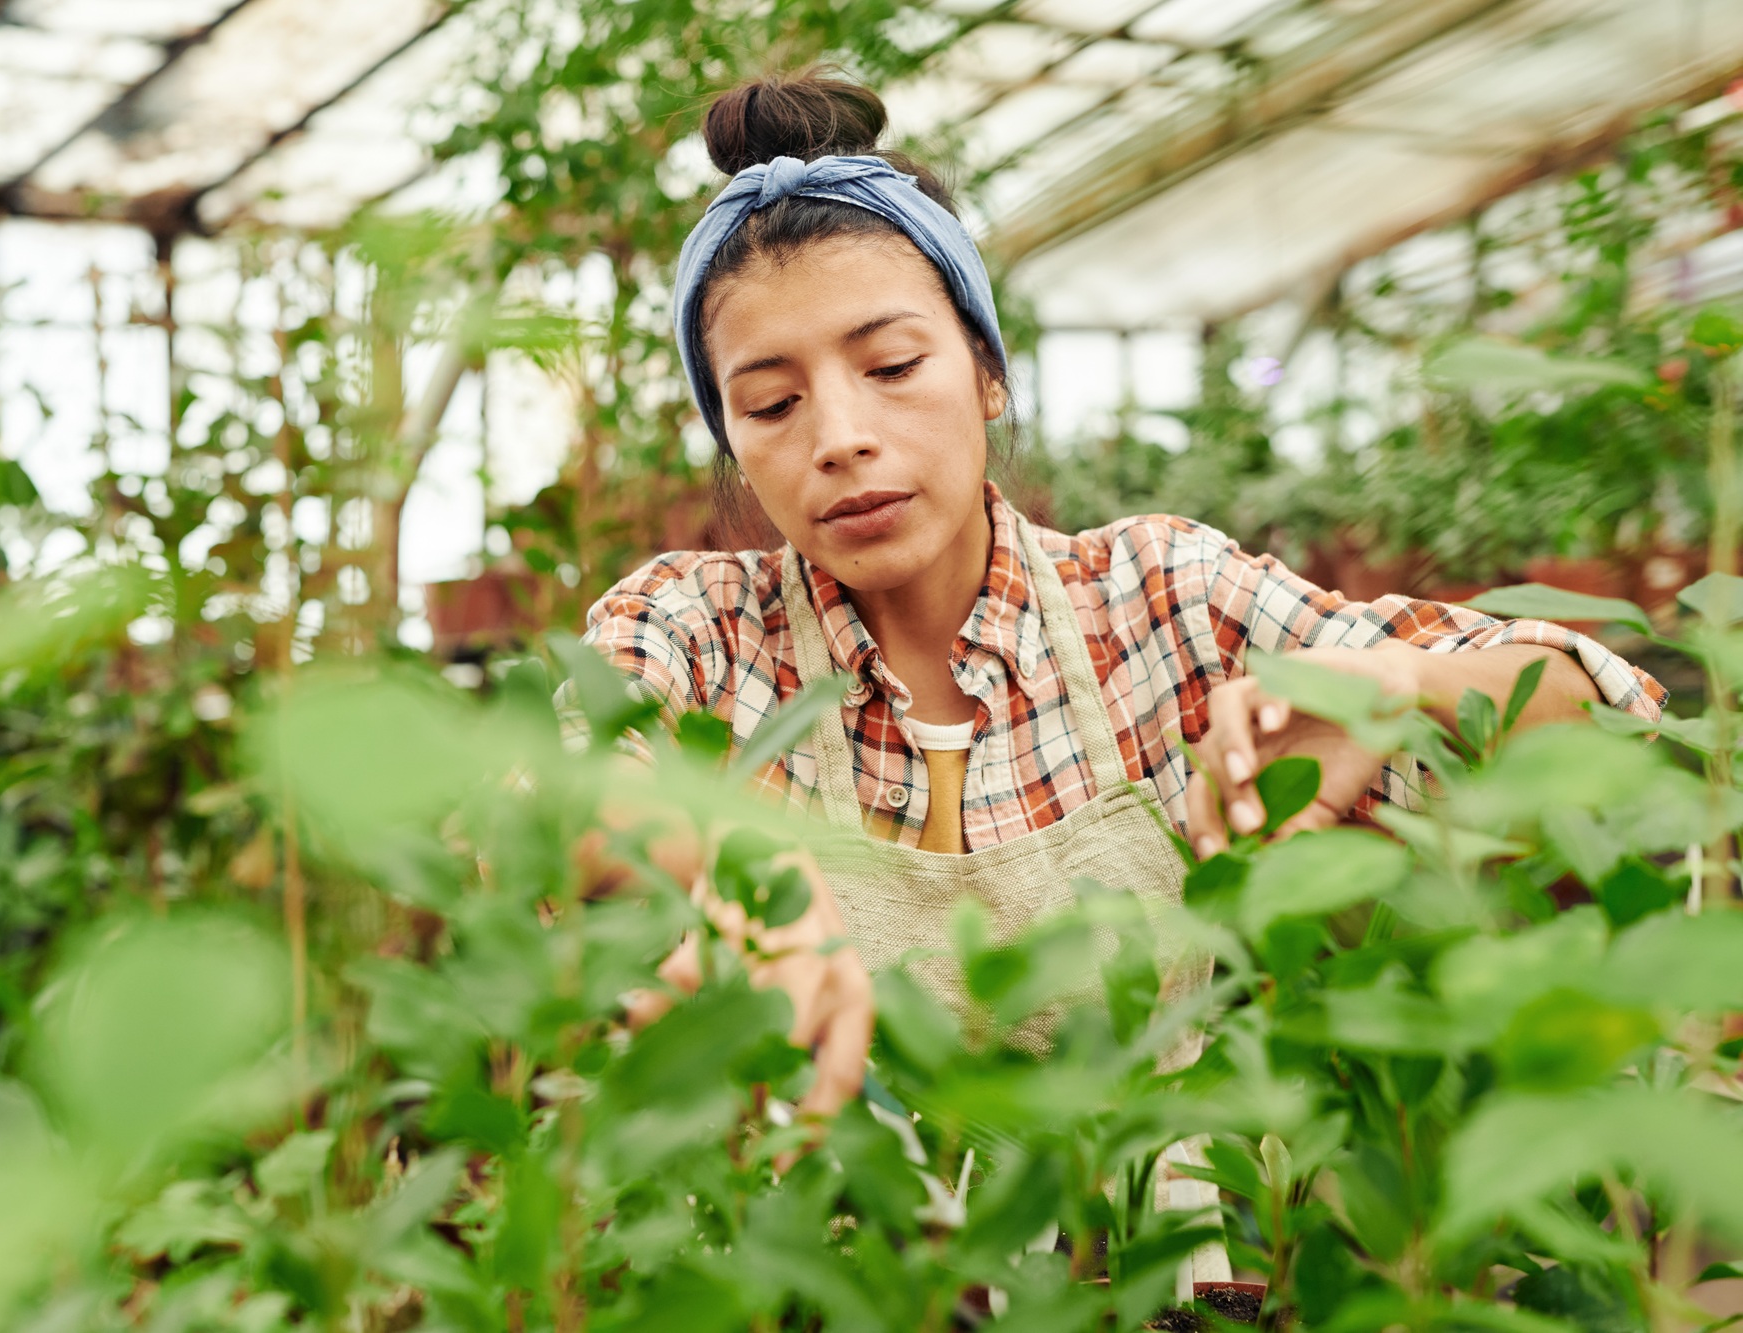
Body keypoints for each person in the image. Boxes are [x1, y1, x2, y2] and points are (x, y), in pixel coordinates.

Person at [579, 68, 1666, 1139]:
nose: (838, 436)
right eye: (770, 402)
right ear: (732, 441)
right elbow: (531, 800)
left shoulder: (1157, 596)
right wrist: (724, 850)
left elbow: (1605, 701)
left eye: (893, 365)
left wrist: (1395, 681)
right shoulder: (699, 630)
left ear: (986, 373)